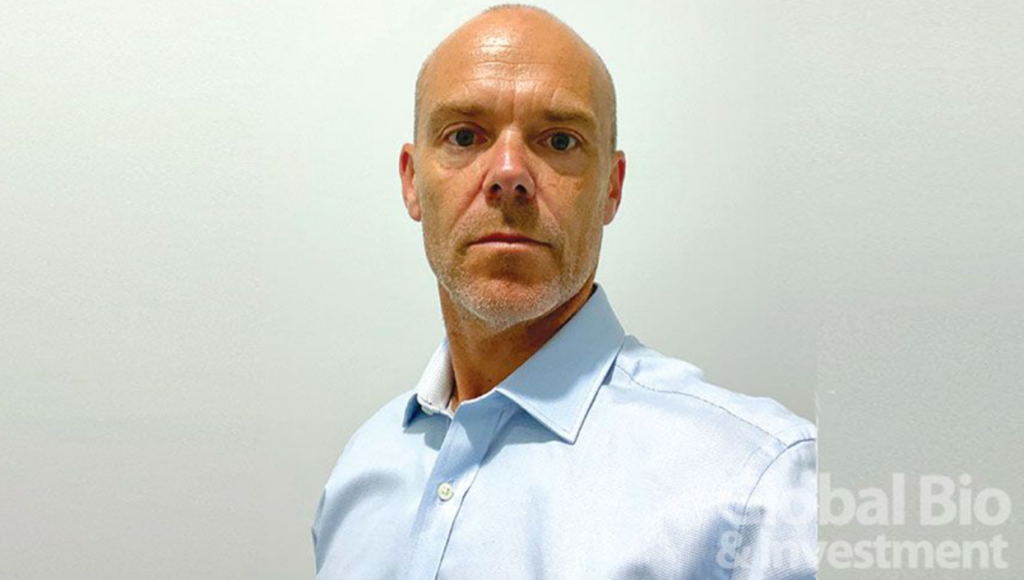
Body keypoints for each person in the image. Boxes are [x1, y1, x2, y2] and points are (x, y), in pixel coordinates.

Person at [312, 5, 816, 579]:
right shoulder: (360, 472)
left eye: (558, 140)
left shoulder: (759, 491)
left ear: (611, 188)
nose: (508, 173)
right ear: (411, 181)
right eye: (464, 136)